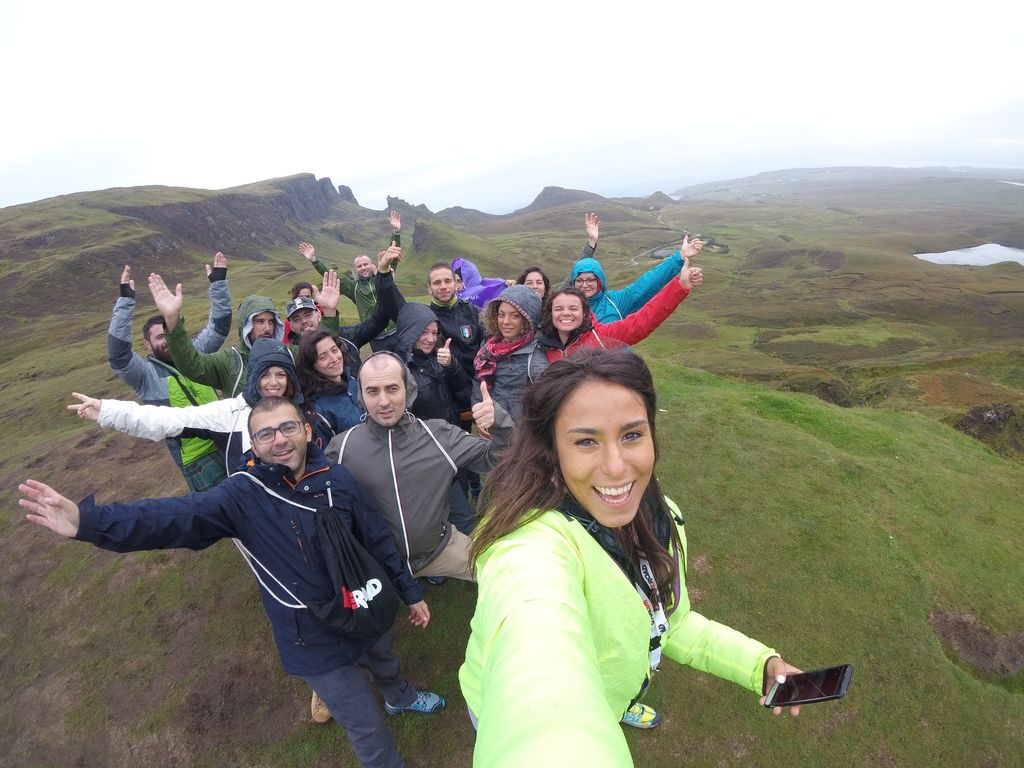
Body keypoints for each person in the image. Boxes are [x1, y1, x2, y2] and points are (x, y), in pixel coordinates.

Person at [21, 395, 445, 768]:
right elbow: (172, 517)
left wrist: (409, 593)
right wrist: (89, 522)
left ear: (306, 429)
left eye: (287, 427)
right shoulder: (241, 495)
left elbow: (375, 538)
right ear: (253, 445)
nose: (278, 440)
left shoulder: (335, 478)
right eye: (265, 435)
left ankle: (400, 697)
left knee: (385, 659)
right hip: (312, 637)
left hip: (361, 601)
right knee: (365, 726)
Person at [460, 348, 802, 766]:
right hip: (500, 706)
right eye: (586, 441)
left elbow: (671, 623)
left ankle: (618, 707)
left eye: (632, 435)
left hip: (610, 689)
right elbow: (536, 651)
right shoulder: (529, 544)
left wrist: (758, 664)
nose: (617, 467)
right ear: (551, 449)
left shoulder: (661, 515)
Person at [325, 352, 513, 581]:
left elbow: (501, 457)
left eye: (392, 389)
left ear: (408, 389)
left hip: (441, 550)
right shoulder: (342, 447)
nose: (383, 401)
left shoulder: (440, 436)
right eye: (372, 391)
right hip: (377, 563)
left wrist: (500, 425)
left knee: (502, 575)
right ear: (361, 396)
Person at [162, 247, 402, 397]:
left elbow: (325, 347)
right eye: (258, 321)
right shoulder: (234, 360)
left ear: (317, 314)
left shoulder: (293, 352)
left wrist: (384, 279)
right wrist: (172, 322)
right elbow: (193, 366)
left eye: (269, 321)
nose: (265, 328)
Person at [70, 338, 308, 473]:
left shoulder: (302, 409)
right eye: (265, 374)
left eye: (281, 374)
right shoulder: (229, 414)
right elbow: (167, 420)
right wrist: (107, 411)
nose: (273, 383)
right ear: (254, 376)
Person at [108, 257, 231, 491]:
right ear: (147, 344)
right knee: (227, 519)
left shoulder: (195, 352)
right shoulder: (144, 376)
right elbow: (119, 356)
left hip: (229, 436)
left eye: (168, 333)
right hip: (198, 460)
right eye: (159, 337)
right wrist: (125, 300)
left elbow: (220, 326)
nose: (167, 341)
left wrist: (218, 283)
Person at [536, 255, 703, 363]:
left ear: (584, 313)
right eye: (559, 309)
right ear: (550, 313)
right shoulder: (542, 346)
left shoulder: (600, 334)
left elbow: (645, 316)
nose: (566, 313)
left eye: (573, 308)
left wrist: (680, 285)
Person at [570, 212, 706, 323]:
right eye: (579, 280)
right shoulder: (565, 309)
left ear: (599, 281)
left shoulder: (615, 302)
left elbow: (648, 282)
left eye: (590, 279)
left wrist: (680, 256)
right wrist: (591, 243)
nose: (584, 285)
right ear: (573, 282)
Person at [298, 210, 402, 350]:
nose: (363, 268)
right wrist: (314, 260)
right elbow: (332, 274)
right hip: (375, 335)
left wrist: (396, 231)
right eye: (359, 266)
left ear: (372, 265)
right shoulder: (353, 288)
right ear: (356, 269)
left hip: (397, 330)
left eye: (365, 264)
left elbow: (392, 256)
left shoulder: (382, 280)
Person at [472, 284, 549, 421]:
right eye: (501, 315)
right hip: (488, 423)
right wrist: (479, 415)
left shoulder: (535, 358)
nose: (505, 322)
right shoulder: (489, 346)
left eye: (515, 316)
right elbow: (478, 381)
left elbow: (543, 403)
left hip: (515, 432)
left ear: (527, 320)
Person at [297, 330, 365, 449]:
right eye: (323, 357)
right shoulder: (318, 412)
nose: (334, 359)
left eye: (334, 350)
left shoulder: (352, 382)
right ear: (311, 366)